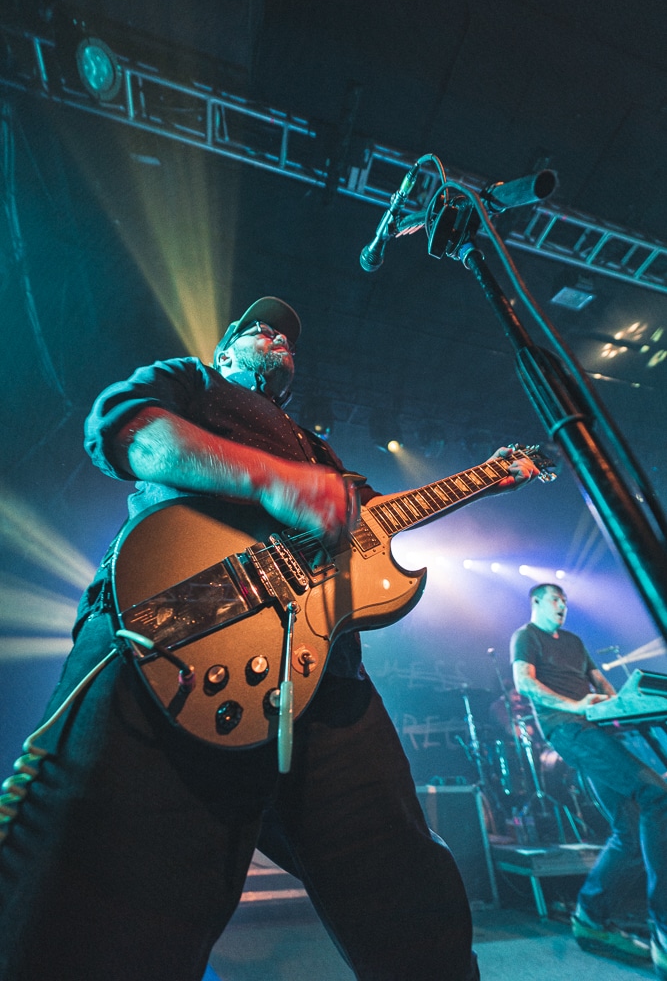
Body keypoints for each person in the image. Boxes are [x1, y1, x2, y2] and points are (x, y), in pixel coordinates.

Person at [0, 296, 537, 981]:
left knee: (410, 900)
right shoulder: (193, 382)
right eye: (255, 328)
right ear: (224, 353)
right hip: (180, 628)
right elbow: (127, 432)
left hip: (327, 682)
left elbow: (378, 534)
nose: (273, 333)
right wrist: (273, 480)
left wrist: (488, 477)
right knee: (109, 910)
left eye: (285, 335)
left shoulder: (323, 455)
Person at [511, 583, 667, 978]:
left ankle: (590, 916)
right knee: (656, 795)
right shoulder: (526, 637)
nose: (563, 605)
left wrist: (622, 706)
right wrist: (574, 705)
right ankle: (664, 930)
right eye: (555, 599)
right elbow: (524, 683)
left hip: (597, 728)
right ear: (536, 603)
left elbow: (603, 683)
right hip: (567, 728)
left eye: (565, 600)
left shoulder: (576, 642)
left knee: (629, 830)